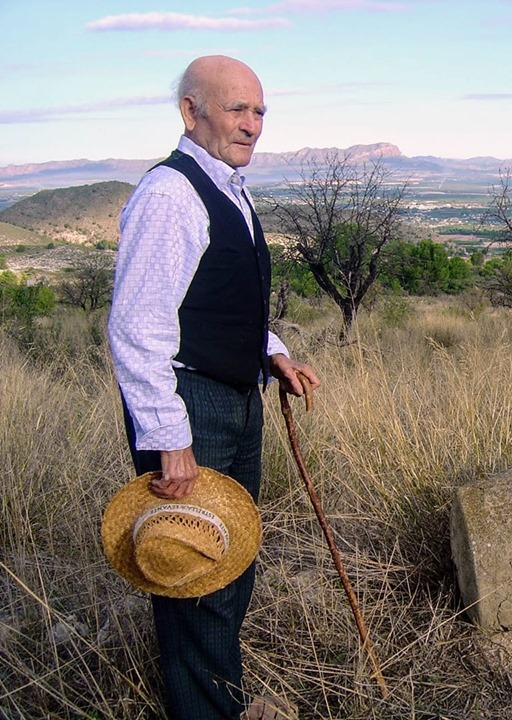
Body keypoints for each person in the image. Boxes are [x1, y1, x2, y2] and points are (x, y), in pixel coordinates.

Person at [107, 55, 318, 720]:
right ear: (190, 112)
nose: (253, 125)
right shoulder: (172, 195)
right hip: (188, 402)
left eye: (259, 112)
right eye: (237, 110)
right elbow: (139, 329)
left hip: (230, 397)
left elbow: (215, 297)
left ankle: (217, 697)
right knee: (195, 568)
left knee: (225, 562)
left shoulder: (225, 184)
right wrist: (170, 442)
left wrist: (272, 352)